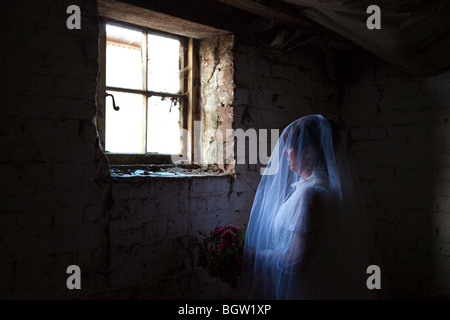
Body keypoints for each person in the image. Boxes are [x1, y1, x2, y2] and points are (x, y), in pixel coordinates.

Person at [243, 114, 374, 299]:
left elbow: (296, 261)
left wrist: (260, 256)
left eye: (288, 147)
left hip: (305, 290)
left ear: (307, 152)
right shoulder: (326, 188)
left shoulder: (310, 195)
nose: (284, 152)